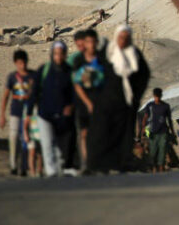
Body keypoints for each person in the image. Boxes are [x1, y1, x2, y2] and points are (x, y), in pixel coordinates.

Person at [87, 25, 150, 173]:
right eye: (121, 37)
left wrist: (136, 96)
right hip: (106, 103)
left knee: (124, 135)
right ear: (116, 37)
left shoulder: (134, 55)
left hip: (126, 104)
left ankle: (121, 163)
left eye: (127, 38)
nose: (123, 41)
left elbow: (144, 76)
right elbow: (94, 74)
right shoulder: (108, 53)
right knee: (105, 133)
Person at [27, 42, 74, 177]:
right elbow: (34, 92)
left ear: (65, 55)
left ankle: (59, 170)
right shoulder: (44, 70)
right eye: (56, 54)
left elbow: (75, 93)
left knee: (59, 147)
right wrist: (29, 113)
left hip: (62, 117)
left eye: (61, 54)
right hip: (45, 115)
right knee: (47, 144)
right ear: (52, 54)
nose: (58, 57)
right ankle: (51, 172)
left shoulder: (69, 71)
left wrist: (71, 106)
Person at [71, 29, 106, 171]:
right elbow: (77, 83)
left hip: (99, 101)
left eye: (92, 42)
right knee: (84, 133)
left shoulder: (102, 59)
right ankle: (86, 163)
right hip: (83, 102)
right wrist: (87, 102)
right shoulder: (78, 60)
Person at [0, 50, 36, 175]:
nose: (22, 65)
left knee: (28, 139)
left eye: (24, 62)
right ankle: (13, 165)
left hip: (30, 112)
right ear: (15, 63)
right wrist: (2, 115)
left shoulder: (33, 76)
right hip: (15, 111)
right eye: (20, 63)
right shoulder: (12, 77)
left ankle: (25, 166)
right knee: (14, 137)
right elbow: (6, 96)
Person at [141, 88, 175, 173]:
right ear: (154, 96)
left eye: (158, 96)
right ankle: (153, 167)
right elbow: (145, 117)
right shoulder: (150, 106)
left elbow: (169, 120)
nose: (157, 98)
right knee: (153, 151)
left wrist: (173, 131)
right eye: (156, 97)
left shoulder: (165, 106)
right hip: (152, 132)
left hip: (163, 132)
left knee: (162, 150)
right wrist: (143, 130)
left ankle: (161, 167)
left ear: (161, 96)